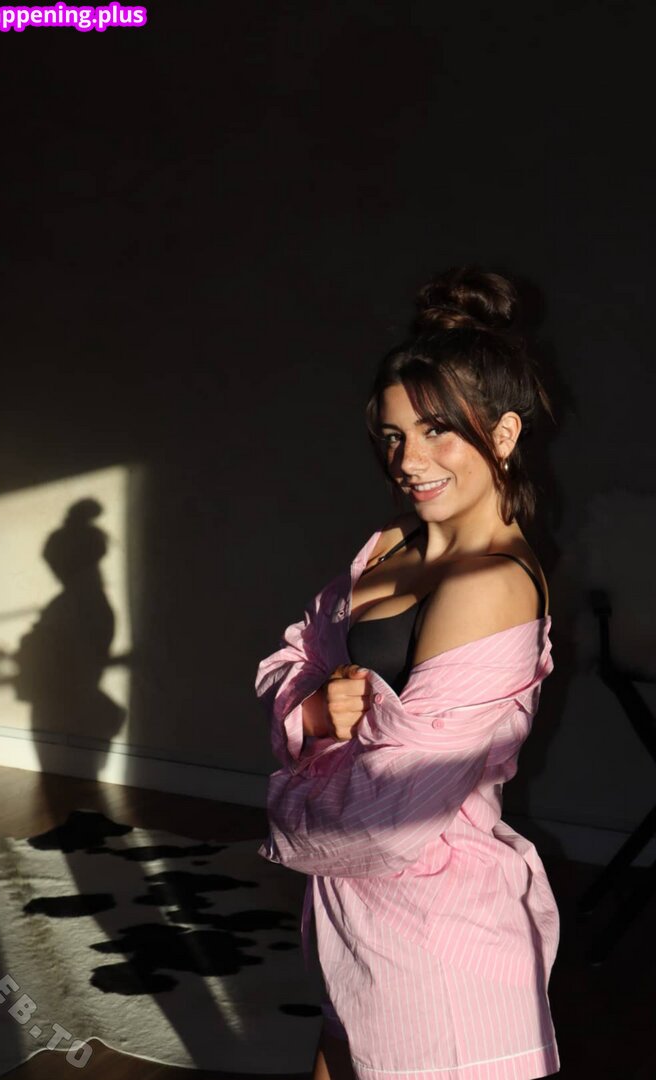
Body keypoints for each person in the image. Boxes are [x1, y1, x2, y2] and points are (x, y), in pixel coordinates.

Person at [255, 266, 560, 1080]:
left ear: (503, 434)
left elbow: (389, 813)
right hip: (349, 917)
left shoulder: (493, 586)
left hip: (434, 938)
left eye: (436, 432)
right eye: (393, 436)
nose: (408, 460)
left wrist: (282, 797)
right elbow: (293, 658)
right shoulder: (390, 546)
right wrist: (311, 713)